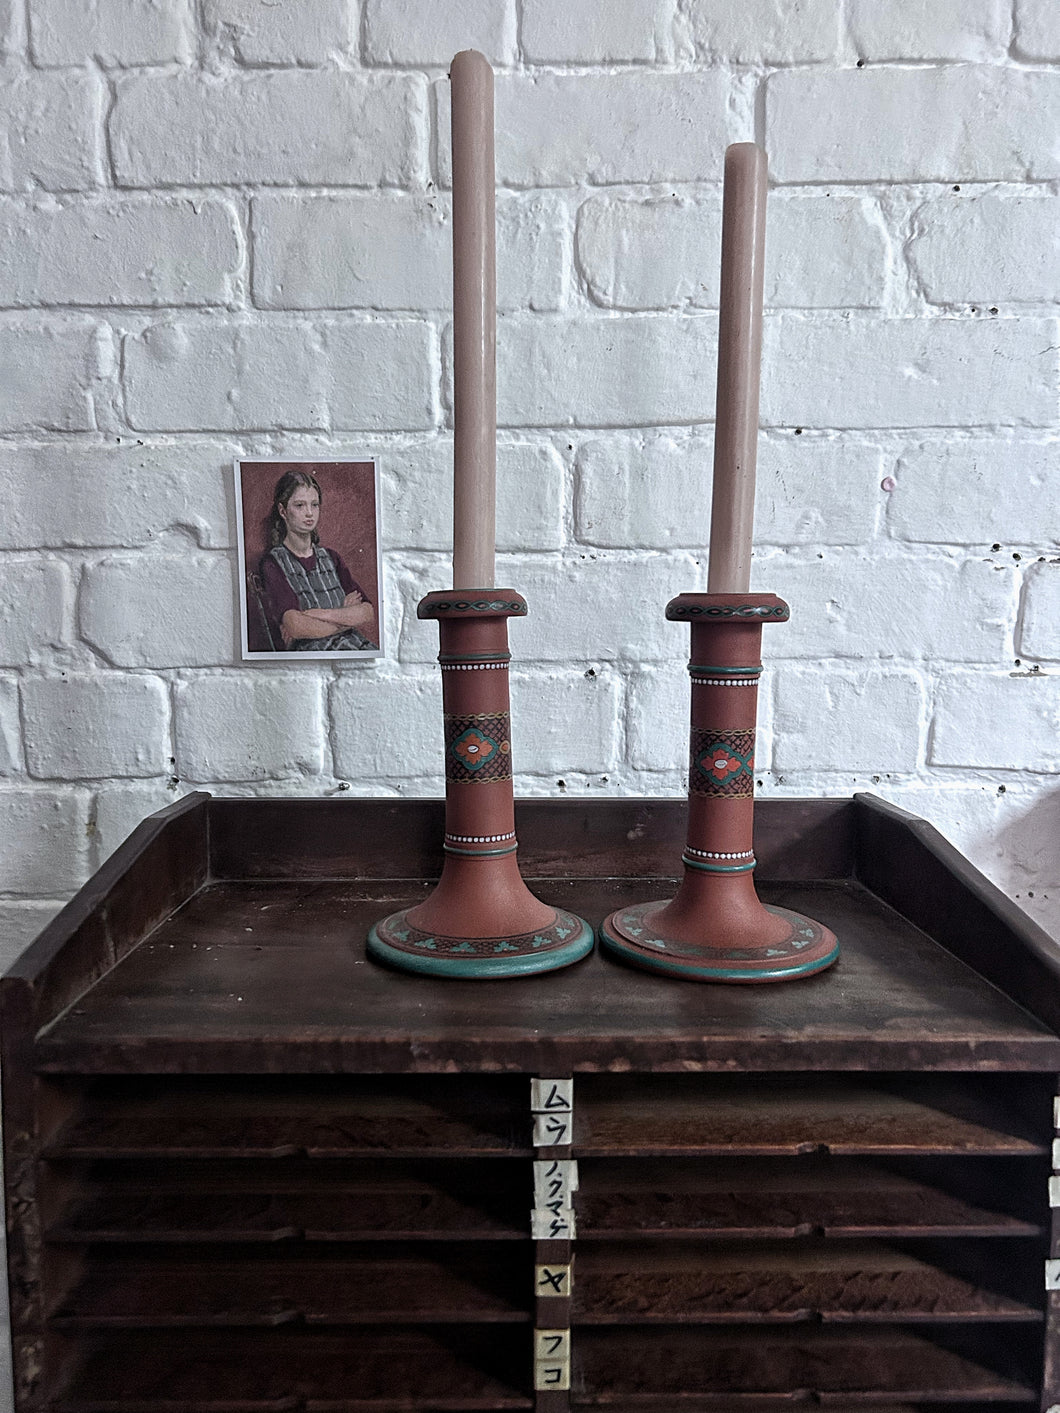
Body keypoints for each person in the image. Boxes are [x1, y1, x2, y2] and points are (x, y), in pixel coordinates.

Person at [259, 469, 379, 652]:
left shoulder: (331, 557)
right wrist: (345, 617)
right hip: (313, 652)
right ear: (283, 511)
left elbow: (367, 612)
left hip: (354, 647)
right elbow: (295, 626)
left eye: (314, 505)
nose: (309, 513)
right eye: (300, 505)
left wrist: (319, 614)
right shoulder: (273, 563)